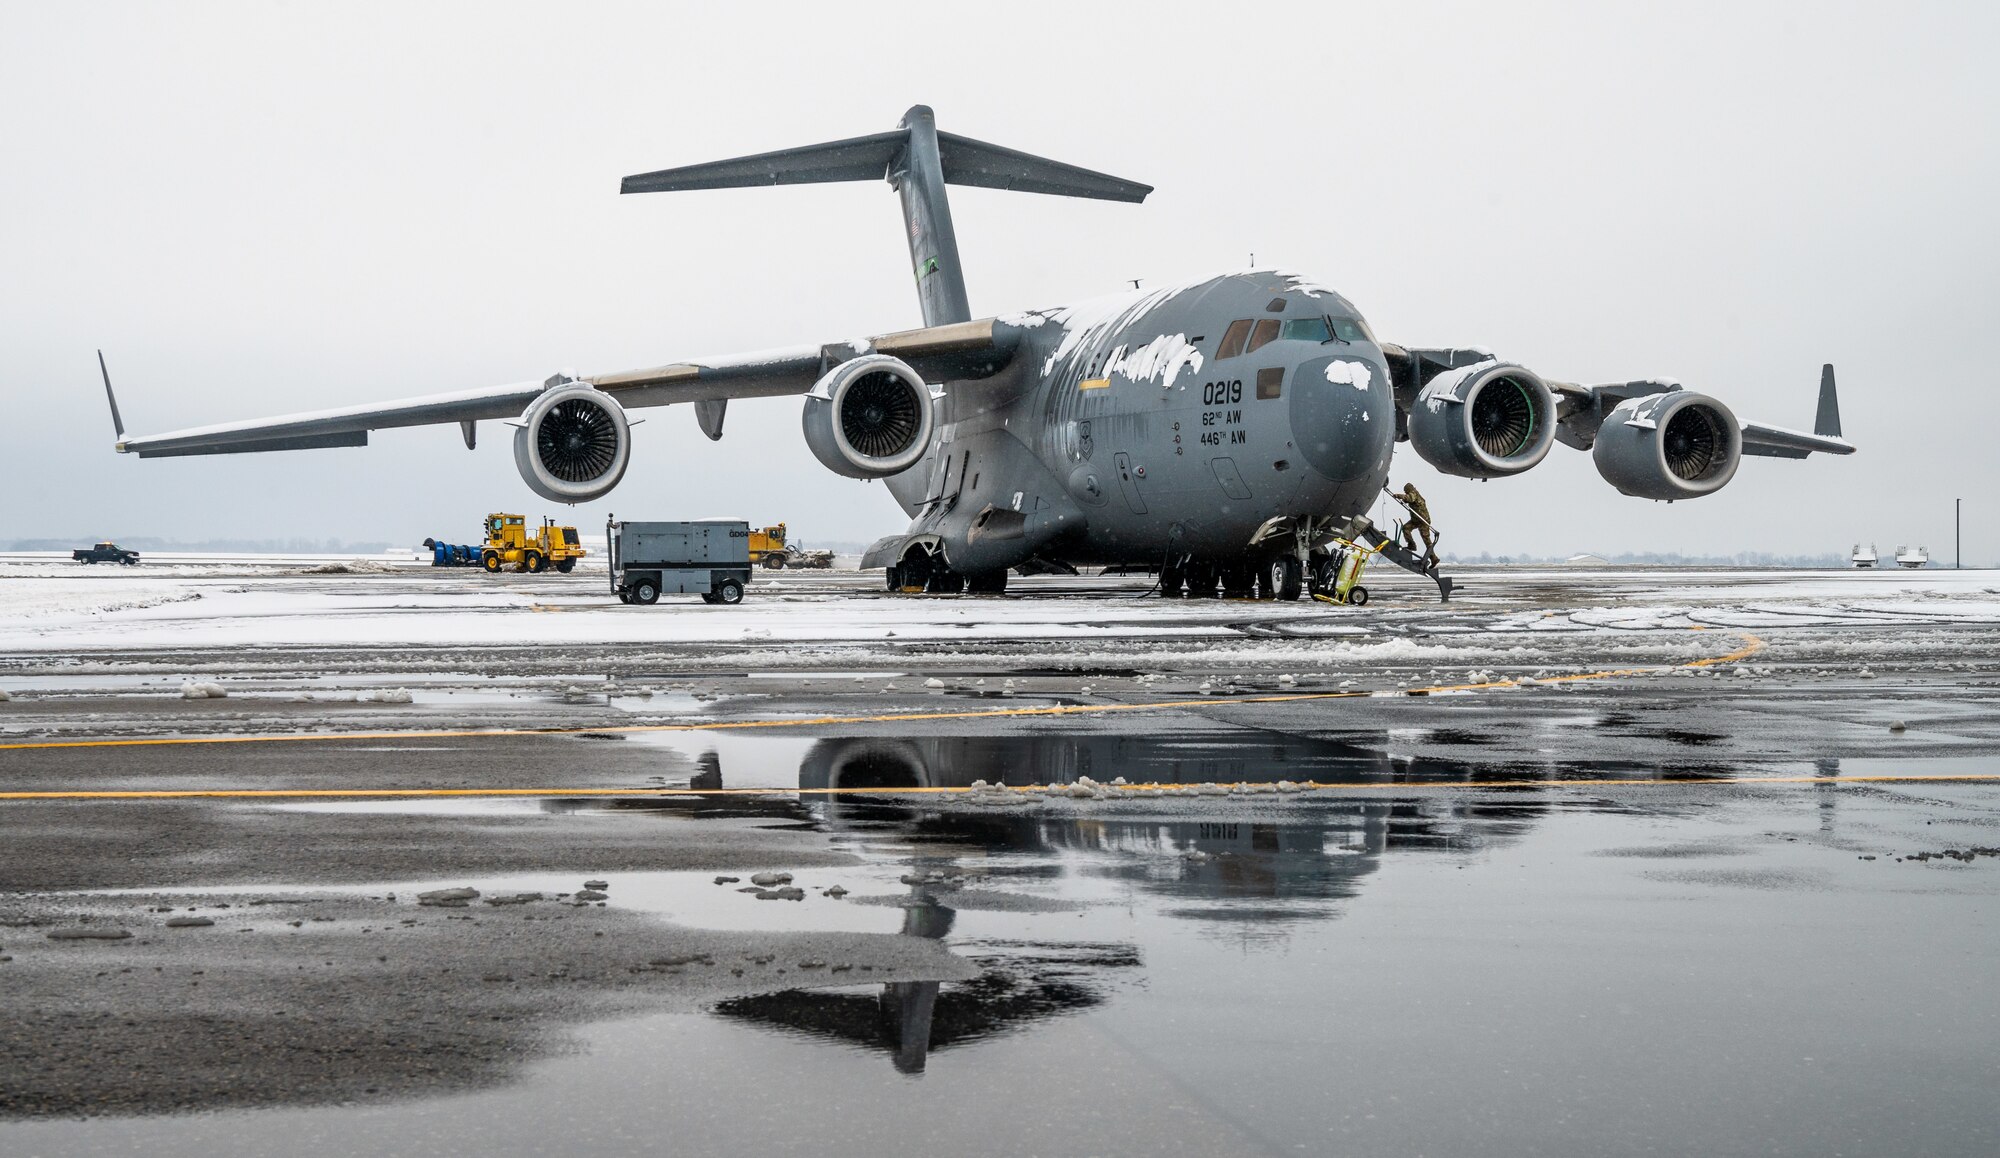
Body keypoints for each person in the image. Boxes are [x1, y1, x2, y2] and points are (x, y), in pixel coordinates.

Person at [1391, 483, 1439, 569]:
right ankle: (1411, 544)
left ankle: (1434, 558)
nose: (1405, 493)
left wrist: (1398, 495)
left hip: (1423, 520)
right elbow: (1409, 500)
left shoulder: (1414, 493)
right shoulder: (1414, 494)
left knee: (1426, 540)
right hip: (1416, 520)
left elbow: (1410, 498)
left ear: (1409, 490)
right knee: (1406, 528)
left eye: (1406, 491)